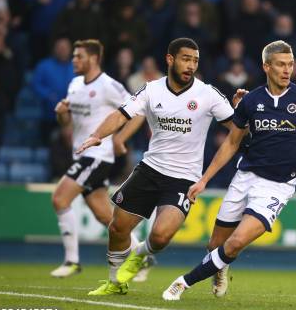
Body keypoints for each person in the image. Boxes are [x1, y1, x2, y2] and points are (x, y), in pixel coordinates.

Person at [161, 40, 296, 300]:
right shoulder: (251, 101)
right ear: (266, 66)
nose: (287, 70)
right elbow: (231, 143)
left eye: (290, 64)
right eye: (281, 64)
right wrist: (204, 180)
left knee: (235, 243)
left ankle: (182, 283)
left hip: (277, 187)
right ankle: (220, 268)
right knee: (216, 246)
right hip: (244, 177)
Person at [76, 38, 238, 296]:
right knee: (117, 228)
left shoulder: (208, 94)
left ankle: (140, 254)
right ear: (170, 59)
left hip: (184, 178)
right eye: (186, 59)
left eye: (195, 60)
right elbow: (121, 114)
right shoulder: (151, 90)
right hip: (150, 169)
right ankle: (115, 282)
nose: (191, 65)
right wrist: (98, 135)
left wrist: (241, 112)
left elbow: (236, 129)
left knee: (160, 237)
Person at [49, 39, 133, 277]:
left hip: (98, 155)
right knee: (105, 215)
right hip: (81, 154)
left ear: (94, 59)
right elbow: (67, 123)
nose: (74, 60)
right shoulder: (75, 84)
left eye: (79, 56)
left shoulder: (109, 86)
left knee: (60, 199)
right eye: (74, 56)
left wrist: (119, 139)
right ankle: (138, 253)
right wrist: (61, 115)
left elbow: (135, 111)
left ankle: (72, 261)